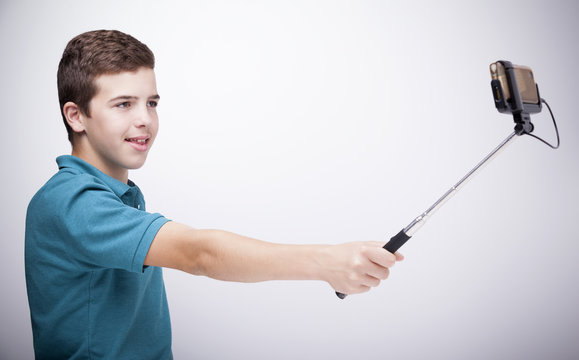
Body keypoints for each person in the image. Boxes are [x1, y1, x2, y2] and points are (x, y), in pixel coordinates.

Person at [25, 29, 404, 359]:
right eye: (124, 104)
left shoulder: (114, 194)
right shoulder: (73, 202)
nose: (145, 118)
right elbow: (200, 252)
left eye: (151, 103)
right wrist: (325, 264)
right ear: (76, 116)